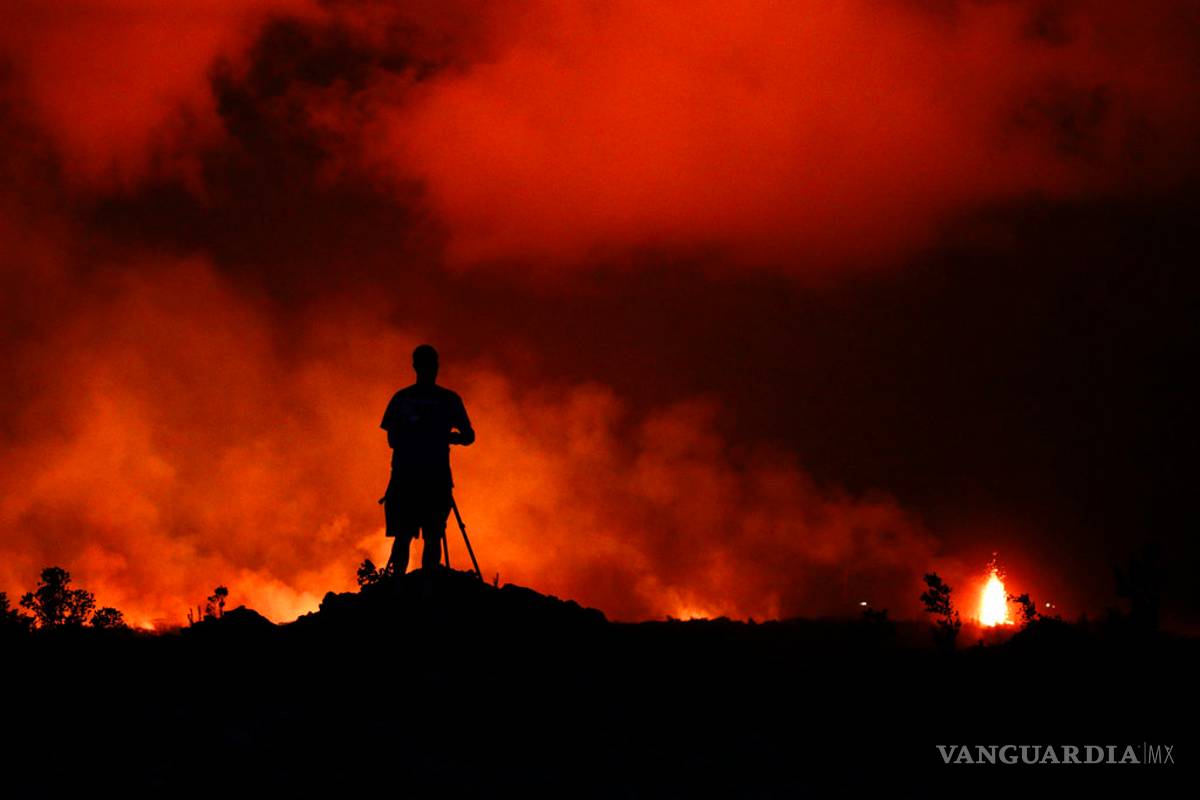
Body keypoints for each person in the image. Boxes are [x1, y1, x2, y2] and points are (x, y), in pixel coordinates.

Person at [380, 344, 475, 574]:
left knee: (406, 536)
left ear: (414, 365)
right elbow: (469, 436)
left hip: (408, 477)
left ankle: (399, 588)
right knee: (431, 535)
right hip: (433, 477)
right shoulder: (448, 399)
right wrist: (445, 438)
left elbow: (392, 438)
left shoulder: (402, 399)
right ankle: (426, 588)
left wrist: (418, 437)